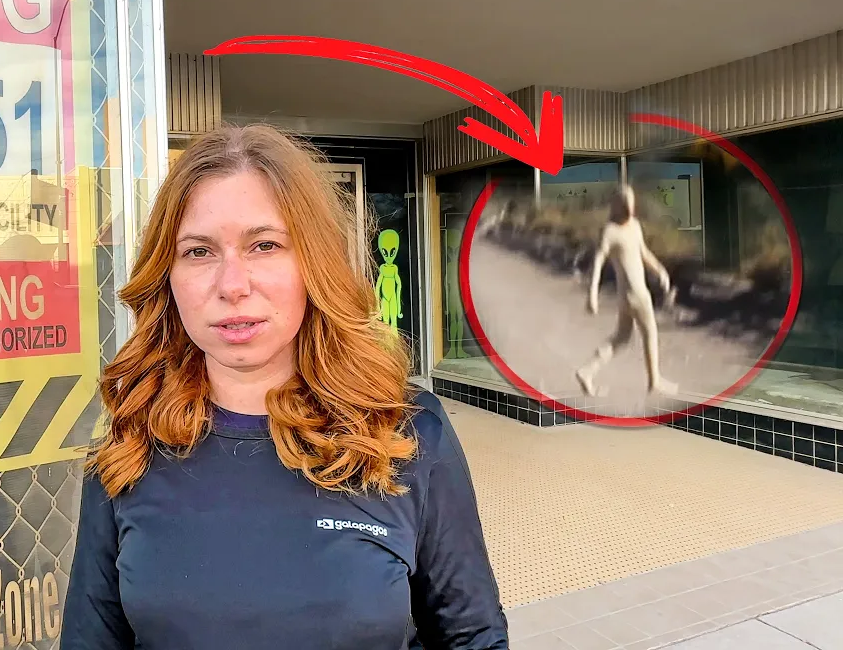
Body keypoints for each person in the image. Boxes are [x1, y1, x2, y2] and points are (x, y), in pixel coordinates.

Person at [60, 124, 510, 650]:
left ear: (314, 264)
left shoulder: (406, 432)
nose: (232, 285)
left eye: (265, 245)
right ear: (167, 274)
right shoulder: (130, 443)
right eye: (199, 252)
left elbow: (472, 636)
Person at [576, 184, 678, 397]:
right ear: (617, 205)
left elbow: (643, 252)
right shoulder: (610, 231)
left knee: (622, 337)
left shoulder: (634, 227)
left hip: (625, 297)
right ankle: (654, 381)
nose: (629, 211)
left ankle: (587, 371)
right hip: (637, 294)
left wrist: (659, 270)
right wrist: (592, 294)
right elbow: (598, 261)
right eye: (625, 206)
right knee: (650, 332)